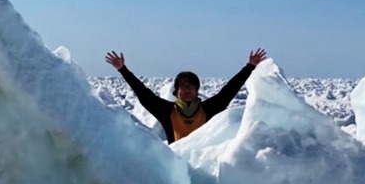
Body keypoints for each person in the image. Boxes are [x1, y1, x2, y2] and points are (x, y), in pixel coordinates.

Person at [105, 49, 267, 143]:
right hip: (177, 169)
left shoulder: (208, 109)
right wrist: (123, 69)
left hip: (202, 167)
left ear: (197, 90)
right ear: (176, 92)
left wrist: (249, 67)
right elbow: (144, 94)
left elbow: (228, 91)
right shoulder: (167, 111)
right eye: (183, 86)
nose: (187, 90)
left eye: (191, 86)